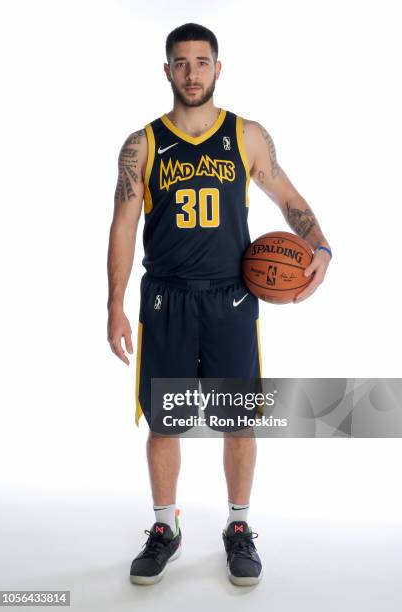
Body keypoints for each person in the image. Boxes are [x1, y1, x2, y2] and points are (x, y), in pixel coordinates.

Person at [107, 22, 332, 587]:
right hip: (167, 299)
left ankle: (238, 528)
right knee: (166, 423)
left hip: (231, 298)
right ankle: (166, 527)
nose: (191, 73)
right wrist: (113, 304)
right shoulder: (144, 144)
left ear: (217, 68)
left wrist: (320, 244)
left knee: (238, 424)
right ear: (167, 71)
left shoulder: (246, 136)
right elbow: (123, 227)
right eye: (181, 63)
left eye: (201, 62)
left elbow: (287, 196)